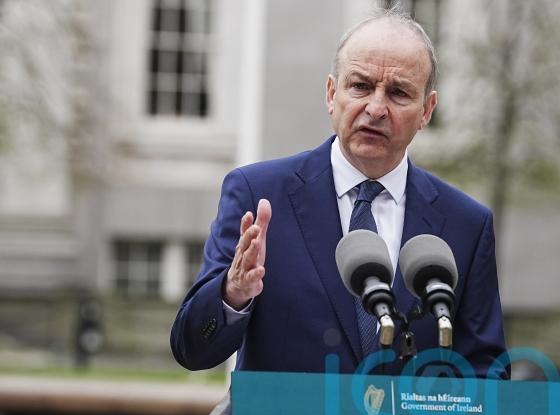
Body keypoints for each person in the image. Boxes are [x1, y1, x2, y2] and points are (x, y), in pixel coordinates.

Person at [170, 9, 509, 382]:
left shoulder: (466, 225)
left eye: (398, 93)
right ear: (332, 94)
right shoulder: (259, 196)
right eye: (360, 86)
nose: (375, 109)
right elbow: (191, 350)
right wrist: (232, 293)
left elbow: (487, 374)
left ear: (426, 110)